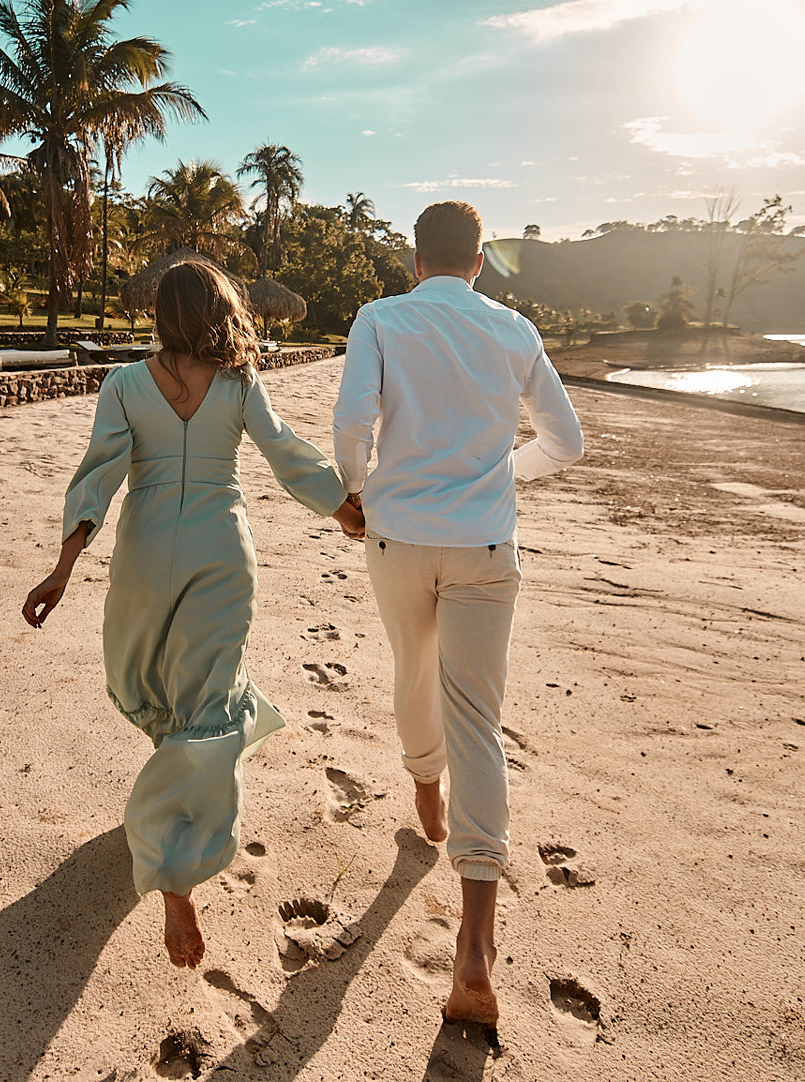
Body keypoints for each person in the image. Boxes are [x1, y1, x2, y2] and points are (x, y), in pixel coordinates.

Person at [23, 260, 365, 968]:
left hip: (145, 559)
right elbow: (285, 454)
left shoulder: (122, 386)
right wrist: (341, 507)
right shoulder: (239, 384)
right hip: (221, 556)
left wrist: (62, 568)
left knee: (154, 690)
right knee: (207, 707)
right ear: (219, 309)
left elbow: (97, 477)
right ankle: (177, 854)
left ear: (159, 314)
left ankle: (167, 846)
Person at [331, 200, 585, 1030]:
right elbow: (568, 442)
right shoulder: (514, 331)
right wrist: (505, 476)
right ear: (479, 262)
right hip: (484, 546)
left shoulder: (379, 317)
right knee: (480, 719)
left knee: (413, 672)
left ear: (415, 259)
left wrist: (359, 490)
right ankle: (475, 946)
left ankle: (426, 794)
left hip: (399, 536)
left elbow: (351, 423)